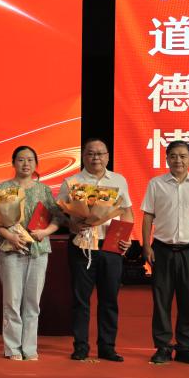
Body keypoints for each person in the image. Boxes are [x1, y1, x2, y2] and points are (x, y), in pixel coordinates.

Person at [141, 141, 189, 365]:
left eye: (183, 156)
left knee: (188, 300)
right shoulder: (156, 184)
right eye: (173, 156)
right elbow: (147, 217)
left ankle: (184, 347)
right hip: (162, 249)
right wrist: (146, 246)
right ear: (166, 159)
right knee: (161, 300)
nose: (178, 160)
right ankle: (163, 347)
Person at [57, 138, 133, 362]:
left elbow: (127, 211)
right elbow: (59, 212)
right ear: (84, 156)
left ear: (108, 156)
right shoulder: (71, 181)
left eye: (100, 153)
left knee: (109, 299)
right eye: (91, 153)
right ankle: (81, 346)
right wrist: (72, 225)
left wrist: (126, 238)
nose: (96, 157)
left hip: (110, 246)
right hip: (81, 245)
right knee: (81, 299)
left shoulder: (119, 180)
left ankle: (107, 347)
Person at [0, 146, 61, 360]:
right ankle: (12, 348)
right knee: (11, 301)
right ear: (13, 163)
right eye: (21, 159)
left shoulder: (44, 190)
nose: (26, 164)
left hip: (38, 251)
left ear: (36, 164)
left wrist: (45, 232)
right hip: (10, 250)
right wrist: (10, 236)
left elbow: (57, 218)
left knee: (32, 302)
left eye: (30, 160)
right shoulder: (3, 188)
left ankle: (29, 348)